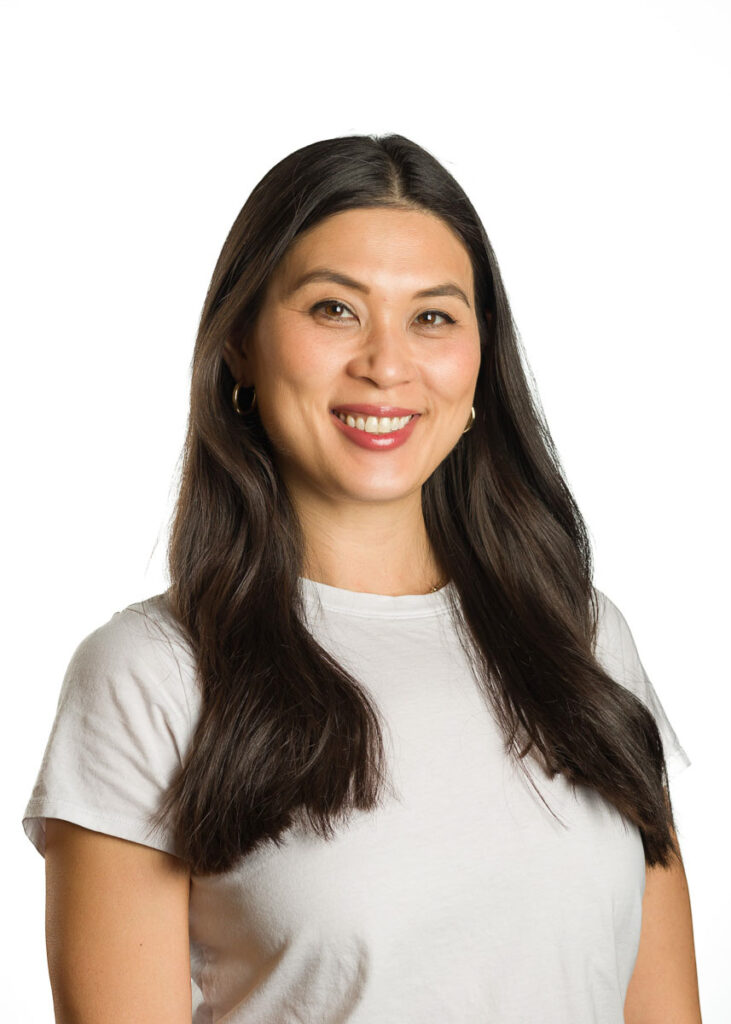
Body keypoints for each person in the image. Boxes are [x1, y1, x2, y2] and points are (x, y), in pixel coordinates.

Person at [22, 133, 702, 1023]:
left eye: (432, 317)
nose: (386, 363)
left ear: (478, 366)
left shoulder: (579, 637)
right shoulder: (153, 674)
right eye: (334, 310)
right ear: (239, 348)